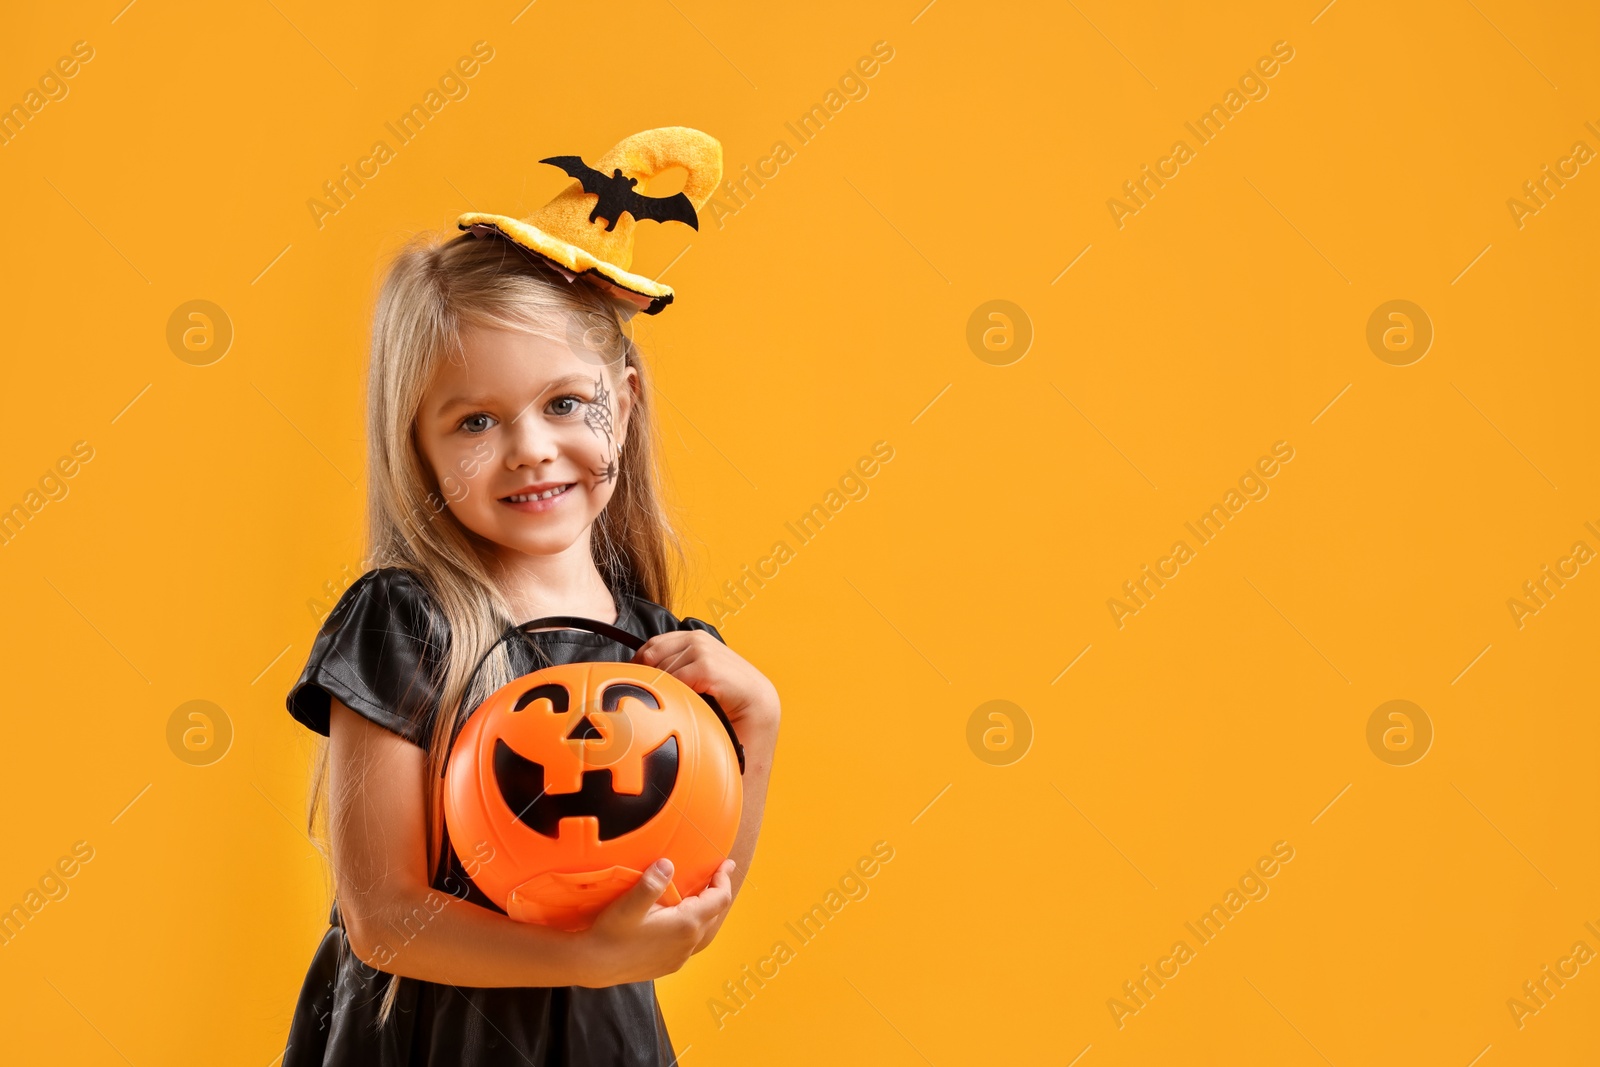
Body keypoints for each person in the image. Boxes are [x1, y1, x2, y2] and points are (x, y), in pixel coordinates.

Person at [279, 127, 780, 1065]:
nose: (531, 448)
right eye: (475, 420)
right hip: (424, 1042)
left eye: (565, 404)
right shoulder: (407, 622)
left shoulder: (663, 652)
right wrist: (580, 955)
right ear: (416, 444)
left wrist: (761, 724)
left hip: (599, 1042)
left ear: (622, 406)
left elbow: (693, 907)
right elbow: (383, 916)